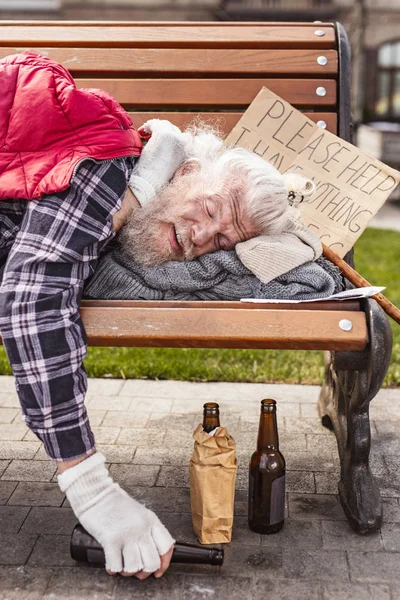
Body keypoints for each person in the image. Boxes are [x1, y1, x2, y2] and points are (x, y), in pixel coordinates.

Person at [0, 51, 309, 579]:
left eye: (220, 243)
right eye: (208, 211)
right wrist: (93, 490)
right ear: (184, 172)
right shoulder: (105, 167)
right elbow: (33, 296)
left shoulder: (129, 197)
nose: (198, 240)